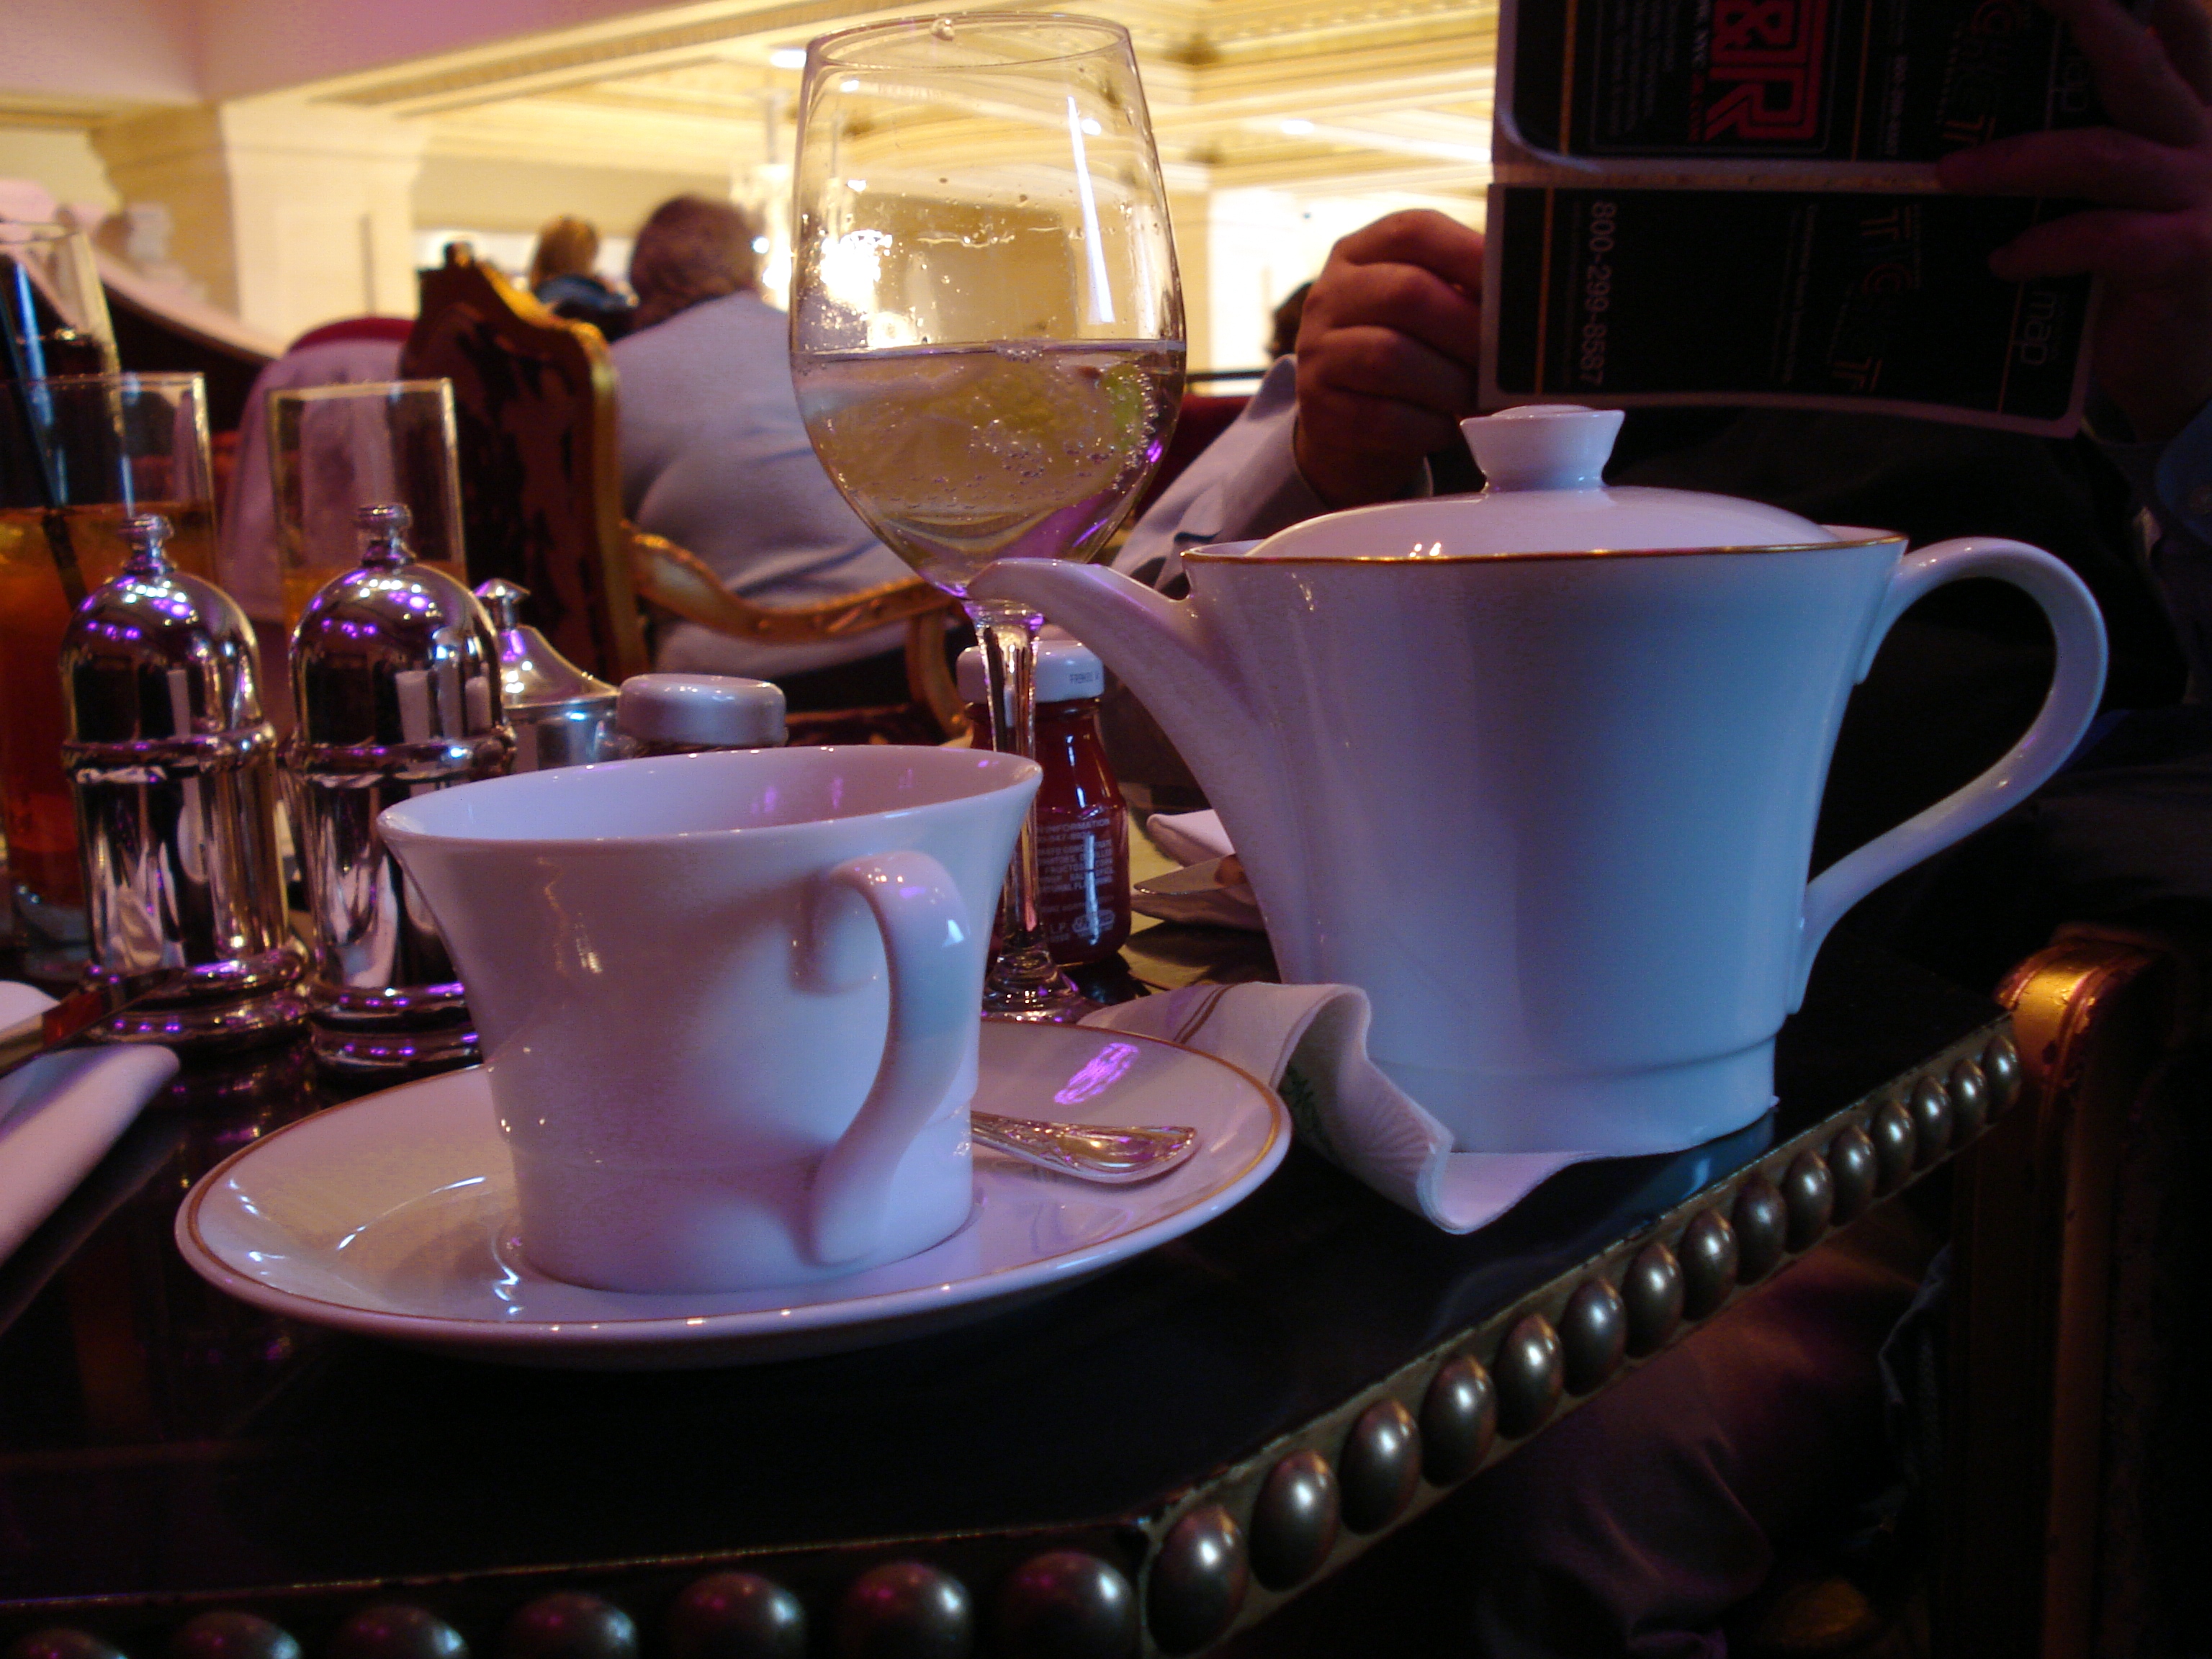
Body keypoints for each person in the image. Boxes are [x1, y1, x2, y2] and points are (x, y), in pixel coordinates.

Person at [1117, 1, 2212, 1651]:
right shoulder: (1475, 321)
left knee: (1540, 1483)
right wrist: (1321, 468)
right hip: (1398, 1058)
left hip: (1901, 1092)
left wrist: (2193, 398)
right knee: (1116, 1347)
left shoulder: (2151, 276)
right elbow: (1132, 724)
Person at [611, 196, 916, 696]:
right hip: (913, 634)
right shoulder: (820, 341)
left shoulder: (610, 373)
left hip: (732, 678)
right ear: (744, 265)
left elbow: (594, 545)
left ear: (641, 275)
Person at [527, 215, 634, 341]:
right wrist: (614, 294)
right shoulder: (589, 296)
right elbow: (627, 323)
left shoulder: (536, 298)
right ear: (586, 256)